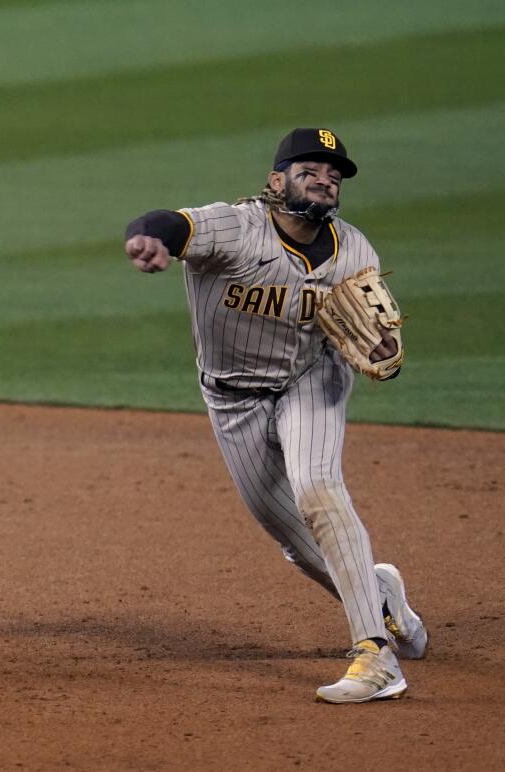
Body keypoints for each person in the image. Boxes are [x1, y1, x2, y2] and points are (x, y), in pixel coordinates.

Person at [122, 128, 427, 703]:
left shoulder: (355, 250)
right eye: (310, 169)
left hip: (313, 379)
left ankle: (375, 654)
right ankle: (380, 597)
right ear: (276, 180)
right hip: (231, 397)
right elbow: (167, 221)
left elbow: (376, 337)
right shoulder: (235, 228)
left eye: (334, 175)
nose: (325, 180)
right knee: (295, 537)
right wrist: (147, 239)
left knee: (318, 488)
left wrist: (383, 349)